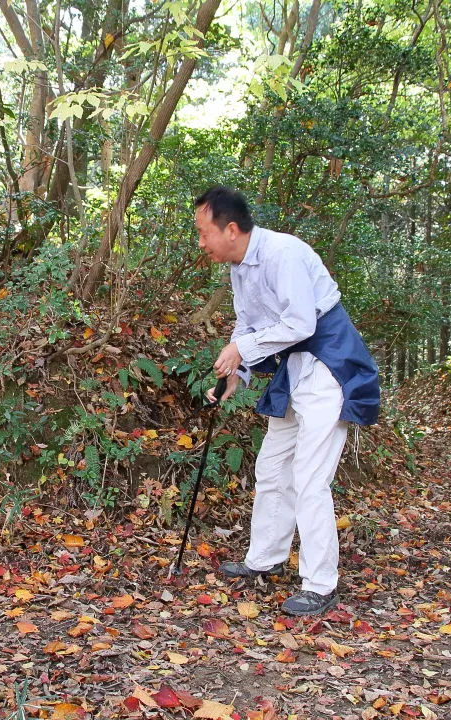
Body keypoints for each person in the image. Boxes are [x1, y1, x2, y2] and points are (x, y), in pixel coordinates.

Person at [194, 186, 379, 616]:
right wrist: (234, 375)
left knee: (310, 479)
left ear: (232, 229)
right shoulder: (241, 266)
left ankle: (320, 584)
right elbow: (248, 322)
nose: (201, 243)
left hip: (328, 371)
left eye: (204, 233)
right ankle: (265, 559)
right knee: (272, 467)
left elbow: (298, 321)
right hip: (294, 372)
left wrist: (243, 350)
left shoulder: (284, 254)